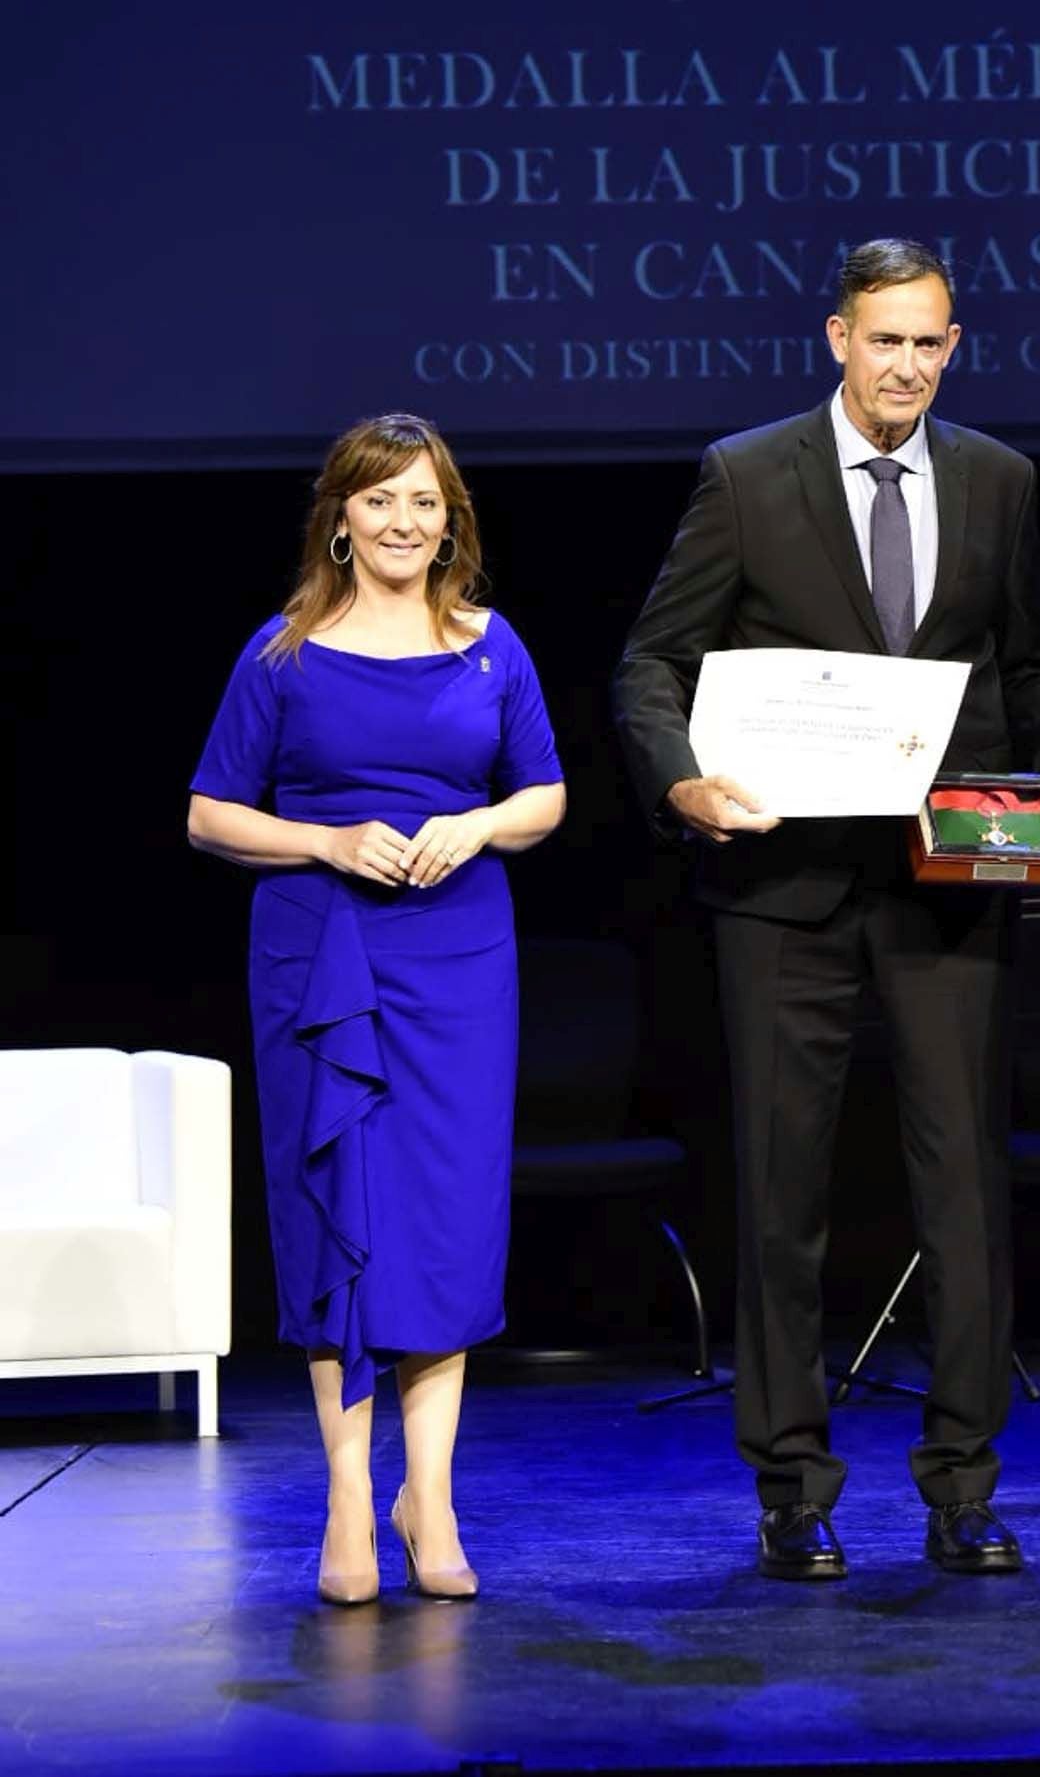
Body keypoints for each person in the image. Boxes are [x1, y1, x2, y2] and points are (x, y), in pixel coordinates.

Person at [614, 238, 1040, 1582]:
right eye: (883, 339)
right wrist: (684, 781)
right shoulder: (746, 474)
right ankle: (791, 1484)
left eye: (928, 342)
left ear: (954, 344)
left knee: (965, 1195)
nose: (905, 366)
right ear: (837, 338)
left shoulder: (999, 479)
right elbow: (652, 659)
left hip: (955, 881)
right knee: (781, 1195)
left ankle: (962, 1486)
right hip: (782, 889)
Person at [188, 413, 565, 1605]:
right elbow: (209, 813)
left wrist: (478, 821)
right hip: (322, 949)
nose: (404, 521)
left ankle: (431, 1494)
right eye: (380, 500)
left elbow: (546, 792)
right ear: (340, 518)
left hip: (459, 953)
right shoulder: (283, 651)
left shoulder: (489, 645)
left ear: (450, 517)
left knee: (446, 1215)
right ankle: (351, 1494)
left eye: (424, 500)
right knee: (333, 1208)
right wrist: (328, 839)